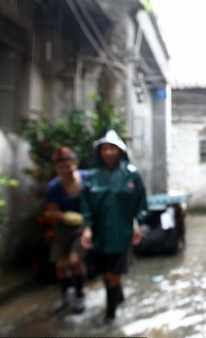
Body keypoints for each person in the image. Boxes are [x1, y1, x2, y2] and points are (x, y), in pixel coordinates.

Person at [80, 130, 147, 323]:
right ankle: (118, 297)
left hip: (121, 231)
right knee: (103, 271)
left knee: (114, 272)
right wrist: (87, 228)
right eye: (104, 149)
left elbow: (141, 202)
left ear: (120, 151)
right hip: (99, 232)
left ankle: (110, 315)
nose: (108, 152)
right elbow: (86, 205)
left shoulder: (131, 175)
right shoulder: (93, 176)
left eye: (112, 148)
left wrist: (138, 225)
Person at [44, 146, 88, 314]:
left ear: (75, 164)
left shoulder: (87, 179)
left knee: (75, 260)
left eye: (68, 165)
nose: (65, 170)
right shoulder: (54, 187)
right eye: (61, 167)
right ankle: (67, 297)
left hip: (84, 227)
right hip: (63, 228)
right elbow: (52, 210)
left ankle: (79, 294)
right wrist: (64, 216)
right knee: (61, 264)